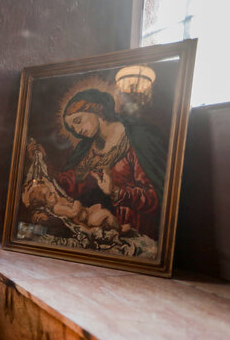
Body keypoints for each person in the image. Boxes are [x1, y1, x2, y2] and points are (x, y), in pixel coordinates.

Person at [57, 89, 166, 239]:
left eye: (78, 121)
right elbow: (71, 183)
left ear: (96, 108)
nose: (77, 130)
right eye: (72, 128)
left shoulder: (138, 138)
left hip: (132, 230)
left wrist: (115, 191)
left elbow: (155, 197)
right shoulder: (87, 149)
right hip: (96, 229)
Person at [22, 178, 127, 232]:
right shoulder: (57, 208)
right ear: (45, 203)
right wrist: (77, 202)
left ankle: (114, 227)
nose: (54, 193)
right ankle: (120, 229)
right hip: (87, 220)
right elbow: (73, 213)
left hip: (87, 212)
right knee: (106, 214)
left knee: (100, 206)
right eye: (50, 194)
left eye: (51, 191)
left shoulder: (58, 201)